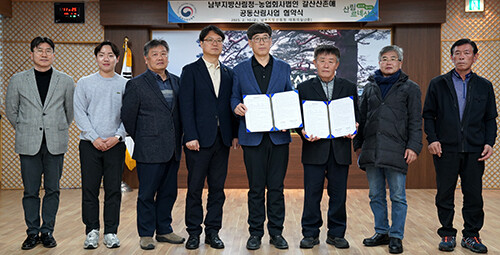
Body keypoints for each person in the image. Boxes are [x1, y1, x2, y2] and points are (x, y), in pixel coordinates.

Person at [423, 39, 496, 254]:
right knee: (444, 193)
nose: (461, 56)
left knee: (473, 194)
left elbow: (490, 119)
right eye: (457, 53)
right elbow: (428, 115)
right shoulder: (438, 83)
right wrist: (433, 139)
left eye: (466, 53)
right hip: (445, 149)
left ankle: (471, 235)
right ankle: (447, 232)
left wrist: (489, 143)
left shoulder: (485, 85)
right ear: (451, 57)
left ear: (475, 57)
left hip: (475, 150)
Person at [5, 36, 74, 250]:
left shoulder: (66, 80)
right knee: (30, 191)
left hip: (55, 142)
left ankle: (47, 232)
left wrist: (54, 127)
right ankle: (32, 232)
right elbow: (11, 111)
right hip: (28, 143)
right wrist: (27, 128)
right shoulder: (17, 79)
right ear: (31, 54)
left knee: (53, 189)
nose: (44, 54)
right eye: (39, 50)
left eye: (48, 50)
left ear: (53, 54)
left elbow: (69, 112)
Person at [353, 45, 422, 254]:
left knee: (398, 196)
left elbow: (415, 121)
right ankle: (381, 231)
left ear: (400, 63)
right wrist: (358, 144)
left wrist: (413, 147)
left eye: (393, 58)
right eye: (384, 58)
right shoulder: (369, 87)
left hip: (398, 149)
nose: (388, 62)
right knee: (375, 195)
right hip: (372, 148)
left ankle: (396, 236)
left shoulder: (411, 87)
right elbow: (362, 118)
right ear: (379, 62)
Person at [231, 22, 292, 250]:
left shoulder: (284, 67)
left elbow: (289, 98)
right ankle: (255, 233)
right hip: (252, 137)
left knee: (276, 187)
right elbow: (233, 98)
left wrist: (290, 120)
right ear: (250, 43)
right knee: (256, 188)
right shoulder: (239, 69)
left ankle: (276, 233)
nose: (262, 42)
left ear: (271, 41)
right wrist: (236, 107)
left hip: (278, 138)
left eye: (265, 38)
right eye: (257, 38)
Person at [121, 39, 185, 250]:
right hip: (148, 148)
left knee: (169, 192)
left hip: (173, 149)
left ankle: (164, 230)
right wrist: (145, 137)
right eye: (155, 54)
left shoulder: (177, 81)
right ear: (146, 58)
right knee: (147, 193)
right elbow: (128, 117)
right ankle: (146, 234)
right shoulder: (136, 84)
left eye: (163, 54)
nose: (160, 57)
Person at [179, 25, 238, 250]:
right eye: (210, 40)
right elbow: (186, 106)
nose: (215, 43)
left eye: (219, 40)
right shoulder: (190, 70)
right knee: (194, 188)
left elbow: (230, 105)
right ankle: (193, 232)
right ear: (201, 44)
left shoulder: (229, 73)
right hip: (198, 141)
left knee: (217, 189)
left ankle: (213, 232)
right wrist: (190, 135)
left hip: (221, 140)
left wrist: (233, 134)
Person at [296, 45, 359, 249]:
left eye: (330, 61)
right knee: (312, 194)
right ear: (314, 63)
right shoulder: (304, 88)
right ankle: (310, 233)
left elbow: (355, 115)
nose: (326, 64)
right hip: (314, 149)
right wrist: (302, 132)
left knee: (338, 195)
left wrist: (354, 128)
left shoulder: (348, 87)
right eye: (322, 60)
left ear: (337, 65)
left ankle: (336, 233)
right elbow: (298, 119)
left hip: (340, 149)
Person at [74, 41, 127, 249]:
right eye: (102, 55)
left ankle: (111, 232)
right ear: (96, 58)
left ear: (117, 58)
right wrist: (94, 137)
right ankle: (92, 231)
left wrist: (117, 136)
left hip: (116, 144)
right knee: (90, 189)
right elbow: (79, 113)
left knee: (114, 190)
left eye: (111, 55)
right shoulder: (85, 83)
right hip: (89, 145)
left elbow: (128, 115)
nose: (106, 58)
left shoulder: (124, 84)